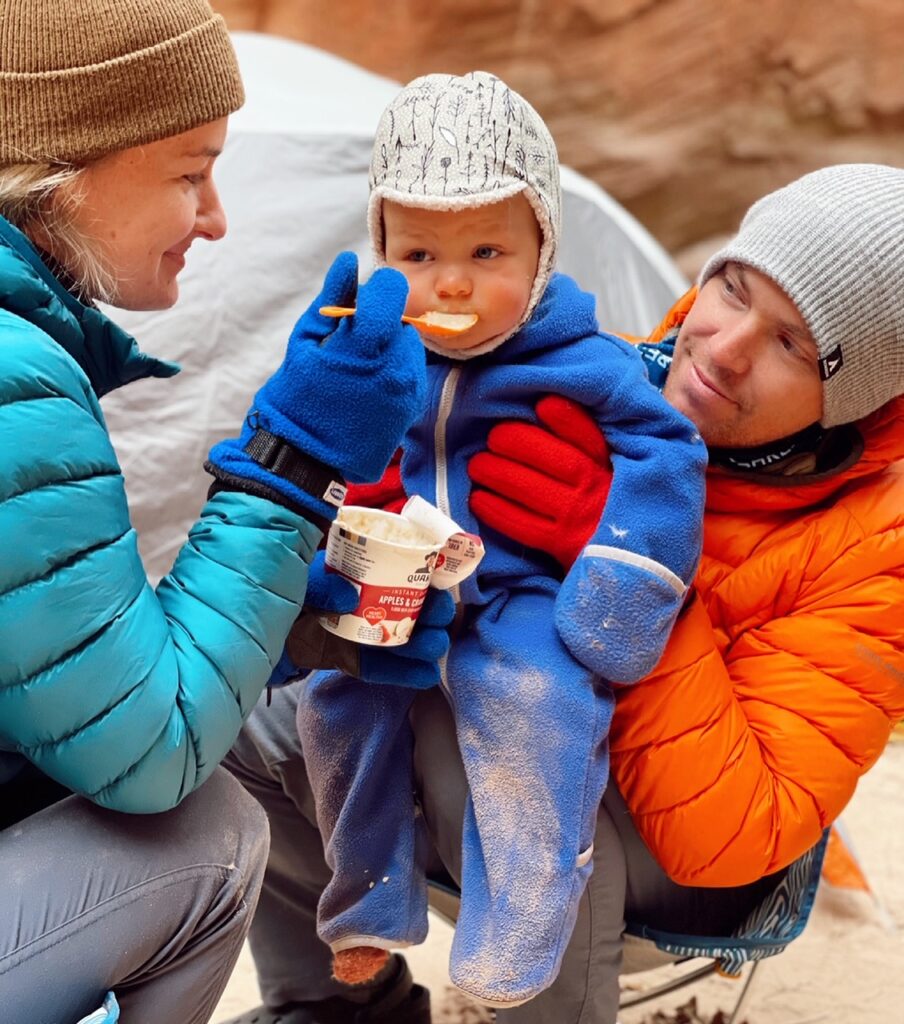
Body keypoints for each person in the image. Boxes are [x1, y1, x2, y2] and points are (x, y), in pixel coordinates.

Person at [223, 161, 904, 1024]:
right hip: (511, 733)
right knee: (260, 714)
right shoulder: (597, 382)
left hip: (685, 867)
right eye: (733, 289)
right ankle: (334, 1007)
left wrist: (628, 570)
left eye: (792, 346)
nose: (724, 349)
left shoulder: (876, 543)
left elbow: (733, 836)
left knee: (507, 734)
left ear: (849, 398)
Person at [0, 3, 435, 1022]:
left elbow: (50, 674)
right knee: (203, 833)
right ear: (63, 169)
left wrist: (280, 633)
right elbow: (149, 754)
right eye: (190, 172)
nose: (217, 217)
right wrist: (291, 467)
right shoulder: (13, 379)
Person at [242, 69, 707, 1014]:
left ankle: (522, 929)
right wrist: (341, 503)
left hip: (528, 594)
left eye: (487, 249)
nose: (450, 281)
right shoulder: (380, 353)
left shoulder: (588, 361)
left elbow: (668, 452)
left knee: (536, 701)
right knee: (337, 703)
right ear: (379, 249)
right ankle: (369, 902)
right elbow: (334, 456)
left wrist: (618, 575)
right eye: (416, 252)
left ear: (541, 250)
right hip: (408, 590)